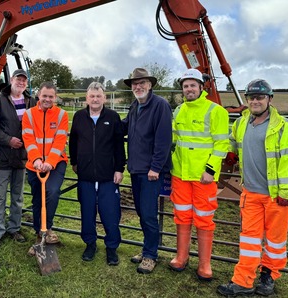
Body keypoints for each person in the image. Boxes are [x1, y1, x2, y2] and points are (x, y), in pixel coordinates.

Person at [217, 79, 288, 296]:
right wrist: (230, 154)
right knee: (248, 239)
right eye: (251, 98)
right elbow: (233, 142)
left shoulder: (284, 128)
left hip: (276, 196)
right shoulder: (241, 124)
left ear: (269, 100)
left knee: (275, 241)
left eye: (260, 97)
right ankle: (243, 281)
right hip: (251, 193)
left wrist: (287, 193)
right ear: (246, 101)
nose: (255, 101)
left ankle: (268, 276)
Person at [169, 68, 230, 281]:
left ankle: (205, 264)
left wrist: (211, 170)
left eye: (193, 85)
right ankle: (181, 257)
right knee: (182, 215)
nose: (189, 89)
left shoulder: (215, 111)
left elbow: (222, 143)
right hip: (180, 174)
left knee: (204, 219)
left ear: (201, 87)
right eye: (185, 86)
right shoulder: (178, 111)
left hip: (203, 176)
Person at [69, 82, 126, 265]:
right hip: (85, 175)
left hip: (108, 175)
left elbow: (119, 145)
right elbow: (73, 142)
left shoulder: (113, 117)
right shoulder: (79, 117)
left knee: (110, 213)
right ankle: (90, 244)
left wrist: (119, 168)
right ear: (87, 98)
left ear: (104, 98)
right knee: (87, 212)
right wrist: (74, 162)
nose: (95, 99)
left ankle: (111, 247)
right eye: (92, 96)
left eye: (98, 96)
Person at [122, 68, 172, 274]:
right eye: (135, 84)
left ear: (150, 85)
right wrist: (99, 123)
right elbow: (124, 126)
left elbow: (163, 139)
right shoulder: (136, 106)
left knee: (149, 213)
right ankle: (147, 249)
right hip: (136, 168)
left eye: (142, 83)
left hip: (150, 171)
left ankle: (151, 255)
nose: (138, 86)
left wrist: (155, 167)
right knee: (142, 212)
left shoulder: (160, 105)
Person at [0, 69, 36, 246]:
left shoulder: (31, 101)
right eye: (18, 79)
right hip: (4, 156)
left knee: (17, 196)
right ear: (11, 80)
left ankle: (14, 228)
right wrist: (8, 140)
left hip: (22, 157)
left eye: (24, 80)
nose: (21, 83)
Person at [22, 81, 68, 256]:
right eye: (44, 96)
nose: (47, 99)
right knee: (37, 199)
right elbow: (28, 138)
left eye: (51, 96)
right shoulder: (29, 114)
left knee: (52, 191)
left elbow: (59, 140)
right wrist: (36, 160)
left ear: (55, 97)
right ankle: (38, 234)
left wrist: (50, 161)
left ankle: (46, 229)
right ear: (38, 96)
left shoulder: (61, 114)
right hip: (35, 165)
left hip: (55, 163)